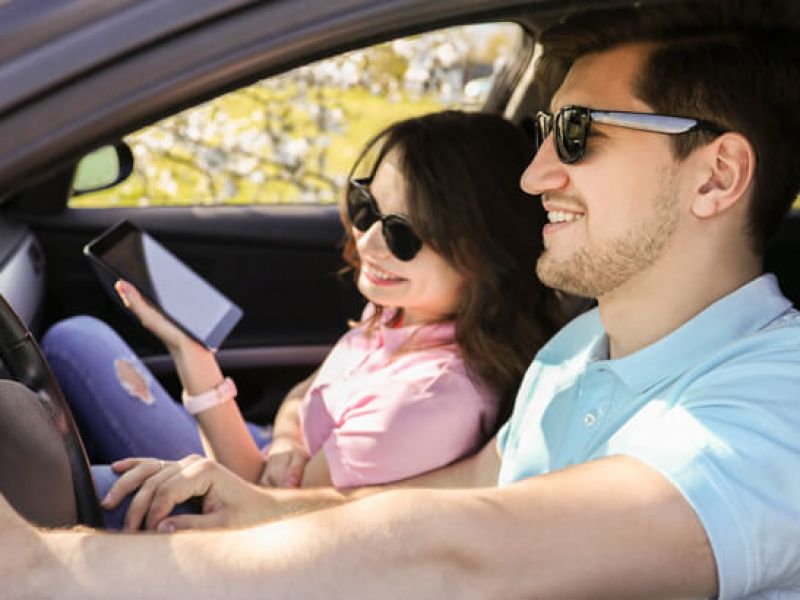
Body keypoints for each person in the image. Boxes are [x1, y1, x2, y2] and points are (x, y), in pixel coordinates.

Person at [3, 1, 800, 597]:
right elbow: (473, 490)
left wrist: (46, 571)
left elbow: (467, 547)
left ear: (718, 176)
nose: (534, 176)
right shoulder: (580, 349)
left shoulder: (777, 401)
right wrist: (265, 511)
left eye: (580, 134)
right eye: (544, 130)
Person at [40, 110, 562, 528]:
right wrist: (288, 440)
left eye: (404, 234)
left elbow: (257, 511)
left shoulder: (424, 402)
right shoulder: (400, 316)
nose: (370, 241)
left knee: (52, 493)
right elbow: (303, 393)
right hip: (261, 452)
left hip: (241, 515)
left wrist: (192, 356)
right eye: (365, 208)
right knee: (74, 338)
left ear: (484, 257)